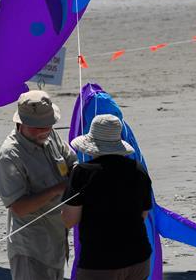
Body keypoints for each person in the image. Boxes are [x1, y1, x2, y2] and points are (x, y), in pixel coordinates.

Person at [0, 90, 77, 280]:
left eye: (47, 125)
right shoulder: (9, 156)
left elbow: (72, 162)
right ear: (20, 123)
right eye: (36, 127)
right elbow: (19, 207)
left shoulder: (50, 135)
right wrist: (57, 188)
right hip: (31, 250)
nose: (43, 131)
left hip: (56, 243)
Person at [61, 114, 152, 280]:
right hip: (138, 256)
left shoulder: (82, 172)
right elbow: (143, 214)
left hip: (100, 262)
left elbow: (69, 220)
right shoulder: (137, 169)